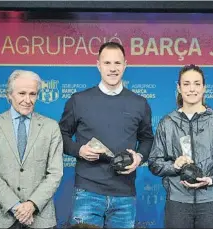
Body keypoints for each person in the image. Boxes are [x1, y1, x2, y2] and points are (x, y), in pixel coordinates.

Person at [59, 42, 154, 228]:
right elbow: (60, 136)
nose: (112, 68)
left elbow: (147, 139)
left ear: (125, 65)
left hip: (124, 194)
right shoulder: (78, 100)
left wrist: (139, 157)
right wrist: (79, 150)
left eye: (117, 63)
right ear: (98, 65)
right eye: (107, 63)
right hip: (87, 191)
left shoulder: (140, 103)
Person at [148, 64, 213, 228]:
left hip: (210, 202)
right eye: (186, 84)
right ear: (179, 88)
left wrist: (211, 180)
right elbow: (154, 163)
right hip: (177, 204)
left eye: (197, 84)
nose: (192, 89)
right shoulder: (167, 123)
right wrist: (174, 166)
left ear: (204, 88)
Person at [0, 70, 63, 228]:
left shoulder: (51, 127)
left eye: (33, 94)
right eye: (22, 93)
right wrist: (16, 206)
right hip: (1, 218)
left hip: (40, 218)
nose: (27, 100)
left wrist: (31, 205)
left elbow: (55, 173)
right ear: (9, 95)